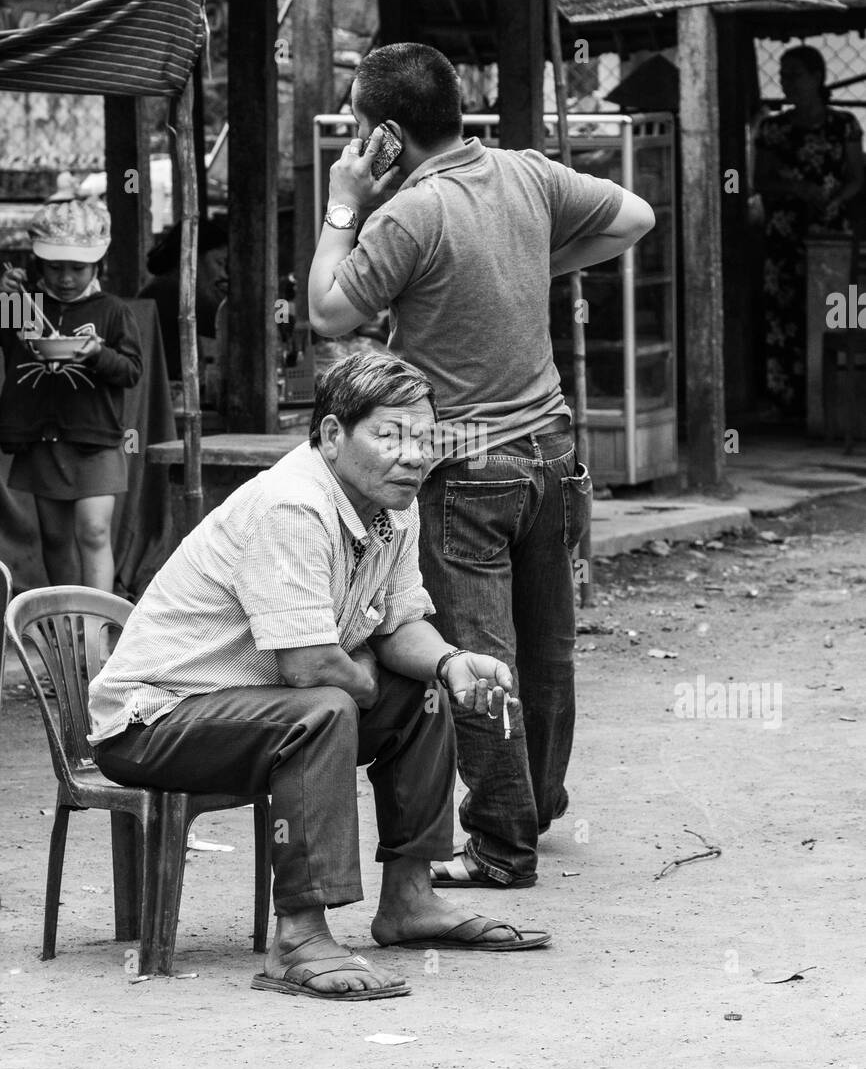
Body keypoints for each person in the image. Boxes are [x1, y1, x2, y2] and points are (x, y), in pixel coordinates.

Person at [88, 353, 550, 1002]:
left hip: (250, 712)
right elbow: (305, 666)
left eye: (425, 438)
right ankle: (298, 938)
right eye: (390, 435)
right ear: (333, 435)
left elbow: (397, 626)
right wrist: (362, 675)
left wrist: (448, 662)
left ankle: (409, 901)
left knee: (420, 695)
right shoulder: (294, 505)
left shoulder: (396, 505)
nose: (413, 455)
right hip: (154, 722)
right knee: (325, 707)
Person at [308, 42, 655, 889]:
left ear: (386, 135)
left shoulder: (408, 217)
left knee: (480, 655)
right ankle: (538, 800)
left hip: (467, 470)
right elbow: (635, 215)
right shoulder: (528, 175)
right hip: (554, 458)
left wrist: (341, 203)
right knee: (546, 650)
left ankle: (502, 845)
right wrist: (539, 261)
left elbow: (325, 311)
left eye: (361, 128)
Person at [0, 197, 142, 592]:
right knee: (56, 538)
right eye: (54, 267)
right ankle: (68, 622)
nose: (65, 278)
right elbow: (5, 340)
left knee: (95, 531)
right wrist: (6, 295)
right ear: (38, 264)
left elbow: (131, 371)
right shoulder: (26, 305)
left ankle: (96, 620)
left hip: (95, 439)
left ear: (98, 265)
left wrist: (98, 353)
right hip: (42, 440)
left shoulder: (113, 311)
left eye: (77, 268)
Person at [754, 45, 864, 417]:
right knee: (782, 314)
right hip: (785, 234)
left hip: (831, 232)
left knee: (835, 309)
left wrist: (833, 200)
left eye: (794, 75)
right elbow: (760, 181)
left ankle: (834, 403)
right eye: (782, 76)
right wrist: (798, 189)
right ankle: (788, 403)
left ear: (817, 77)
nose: (786, 83)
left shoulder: (844, 124)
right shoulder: (772, 128)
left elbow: (857, 178)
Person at [136, 216, 228, 381]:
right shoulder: (171, 291)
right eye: (219, 263)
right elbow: (228, 324)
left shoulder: (164, 286)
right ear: (193, 259)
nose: (222, 274)